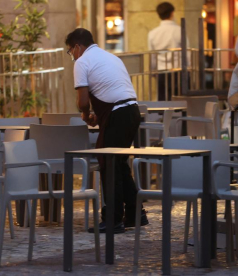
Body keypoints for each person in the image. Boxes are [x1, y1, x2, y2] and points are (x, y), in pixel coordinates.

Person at [65, 28, 149, 234]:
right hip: (132, 111)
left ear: (77, 47)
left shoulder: (82, 61)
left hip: (117, 114)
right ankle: (135, 213)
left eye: (70, 51)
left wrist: (85, 115)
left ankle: (113, 219)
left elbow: (82, 100)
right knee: (118, 163)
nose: (72, 56)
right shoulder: (111, 57)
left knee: (107, 163)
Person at [148, 2, 182, 100]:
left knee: (163, 101)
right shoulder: (179, 31)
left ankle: (162, 115)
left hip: (161, 71)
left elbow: (152, 56)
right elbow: (186, 54)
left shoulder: (153, 33)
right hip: (178, 70)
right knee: (179, 101)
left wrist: (153, 71)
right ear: (172, 13)